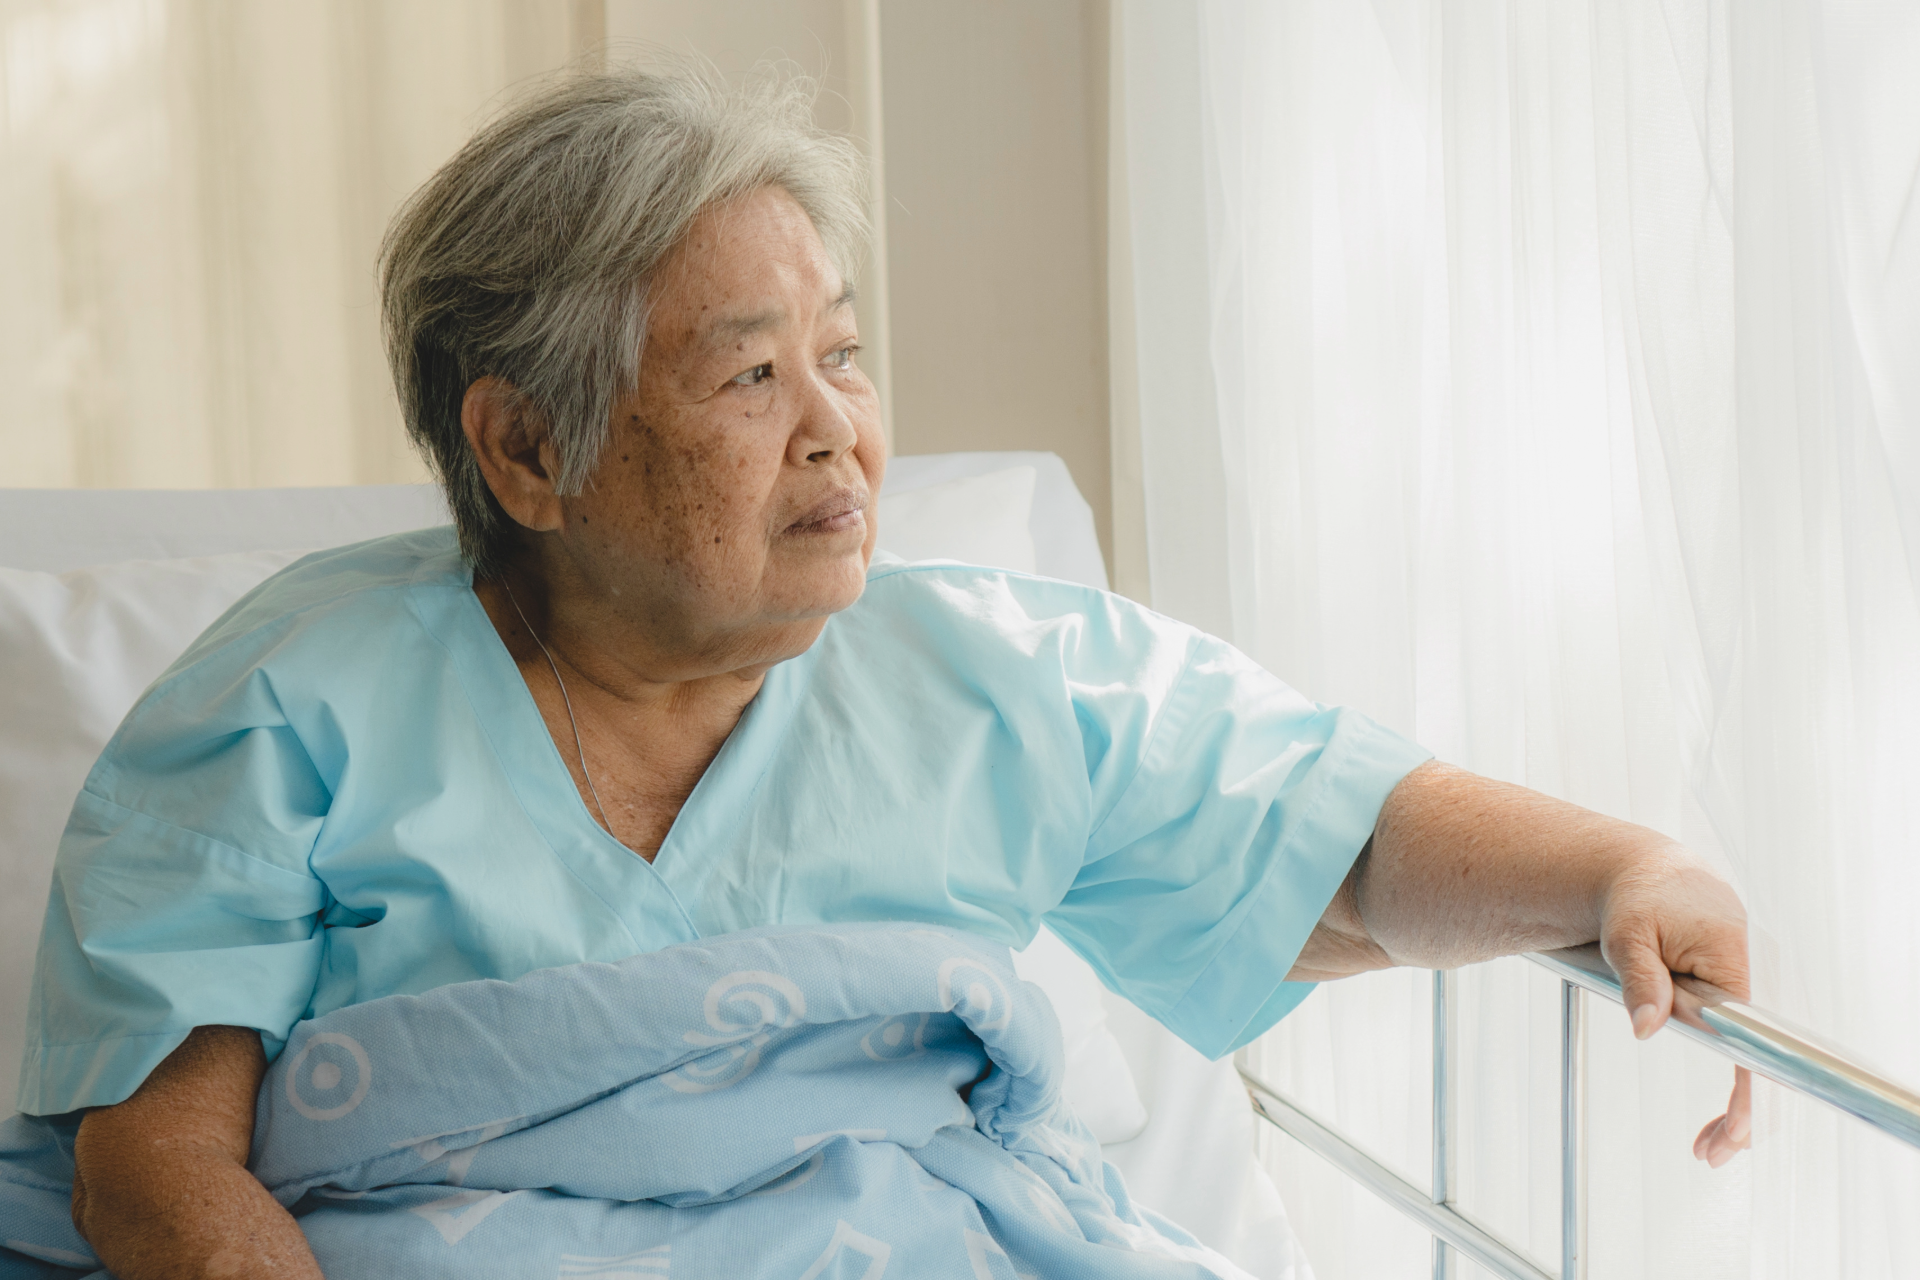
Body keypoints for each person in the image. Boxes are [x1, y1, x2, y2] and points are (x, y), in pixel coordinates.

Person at [19, 64, 1750, 1278]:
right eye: (751, 376)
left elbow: (1335, 849)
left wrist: (1620, 871)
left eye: (843, 354)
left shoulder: (991, 673)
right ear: (527, 448)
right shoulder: (281, 705)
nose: (841, 431)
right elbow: (161, 1173)